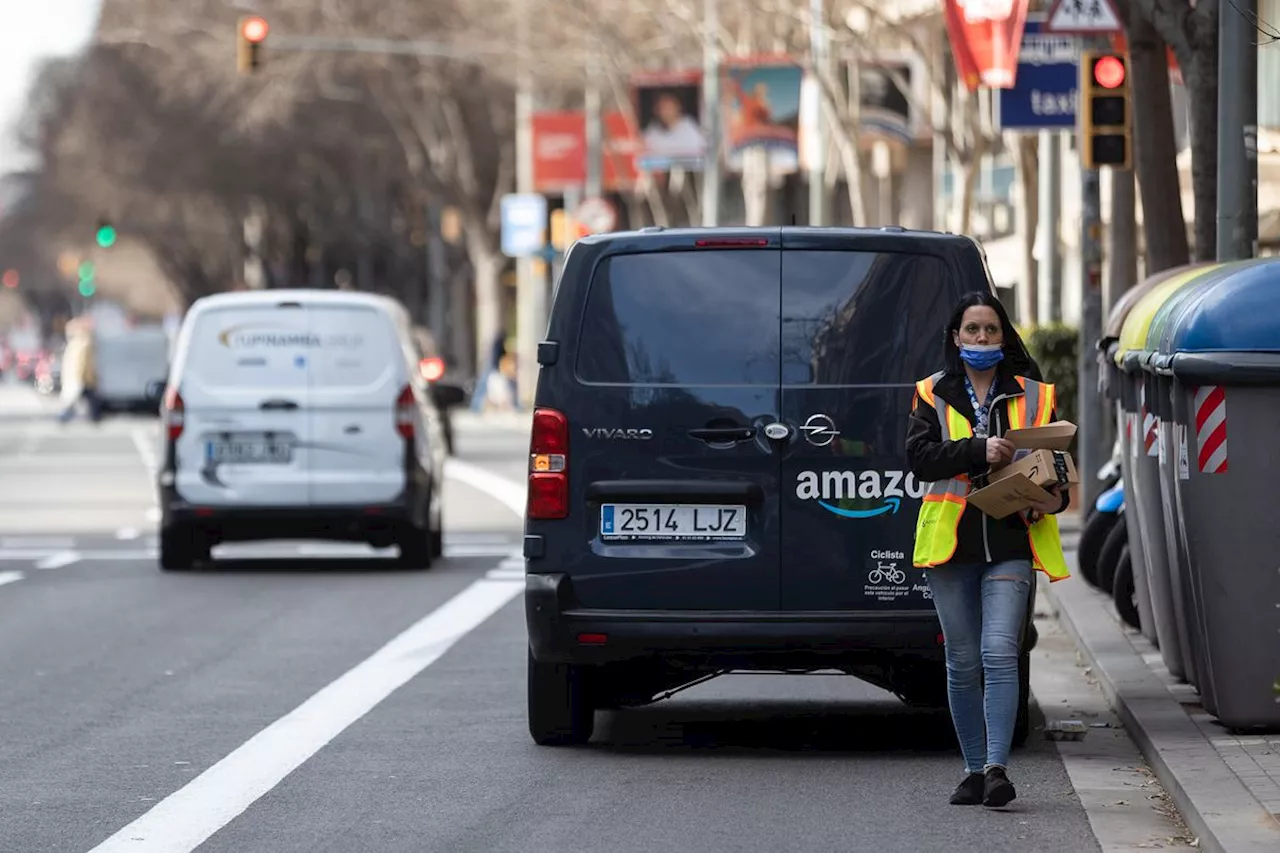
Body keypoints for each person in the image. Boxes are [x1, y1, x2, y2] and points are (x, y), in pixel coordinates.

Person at [905, 291, 1071, 808]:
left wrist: (1052, 497)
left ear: (1004, 337)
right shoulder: (931, 392)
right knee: (962, 660)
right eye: (972, 330)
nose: (981, 339)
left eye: (991, 330)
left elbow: (1058, 468)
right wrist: (978, 449)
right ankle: (973, 769)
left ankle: (997, 769)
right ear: (956, 337)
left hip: (1010, 539)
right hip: (950, 543)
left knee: (1000, 652)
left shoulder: (1035, 394)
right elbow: (918, 458)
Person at [57, 318, 101, 424]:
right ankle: (66, 415)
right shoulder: (82, 343)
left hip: (80, 377)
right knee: (80, 399)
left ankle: (93, 416)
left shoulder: (79, 343)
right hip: (80, 378)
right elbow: (81, 363)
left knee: (82, 399)